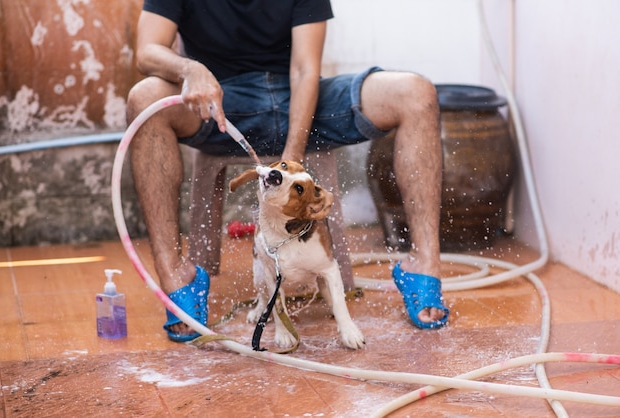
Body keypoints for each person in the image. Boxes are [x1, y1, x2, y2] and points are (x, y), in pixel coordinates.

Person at [127, 0, 449, 342]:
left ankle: (423, 265)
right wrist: (190, 70)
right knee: (143, 98)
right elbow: (146, 52)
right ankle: (178, 277)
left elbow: (304, 70)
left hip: (303, 97)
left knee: (416, 92)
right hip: (222, 104)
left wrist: (290, 161)